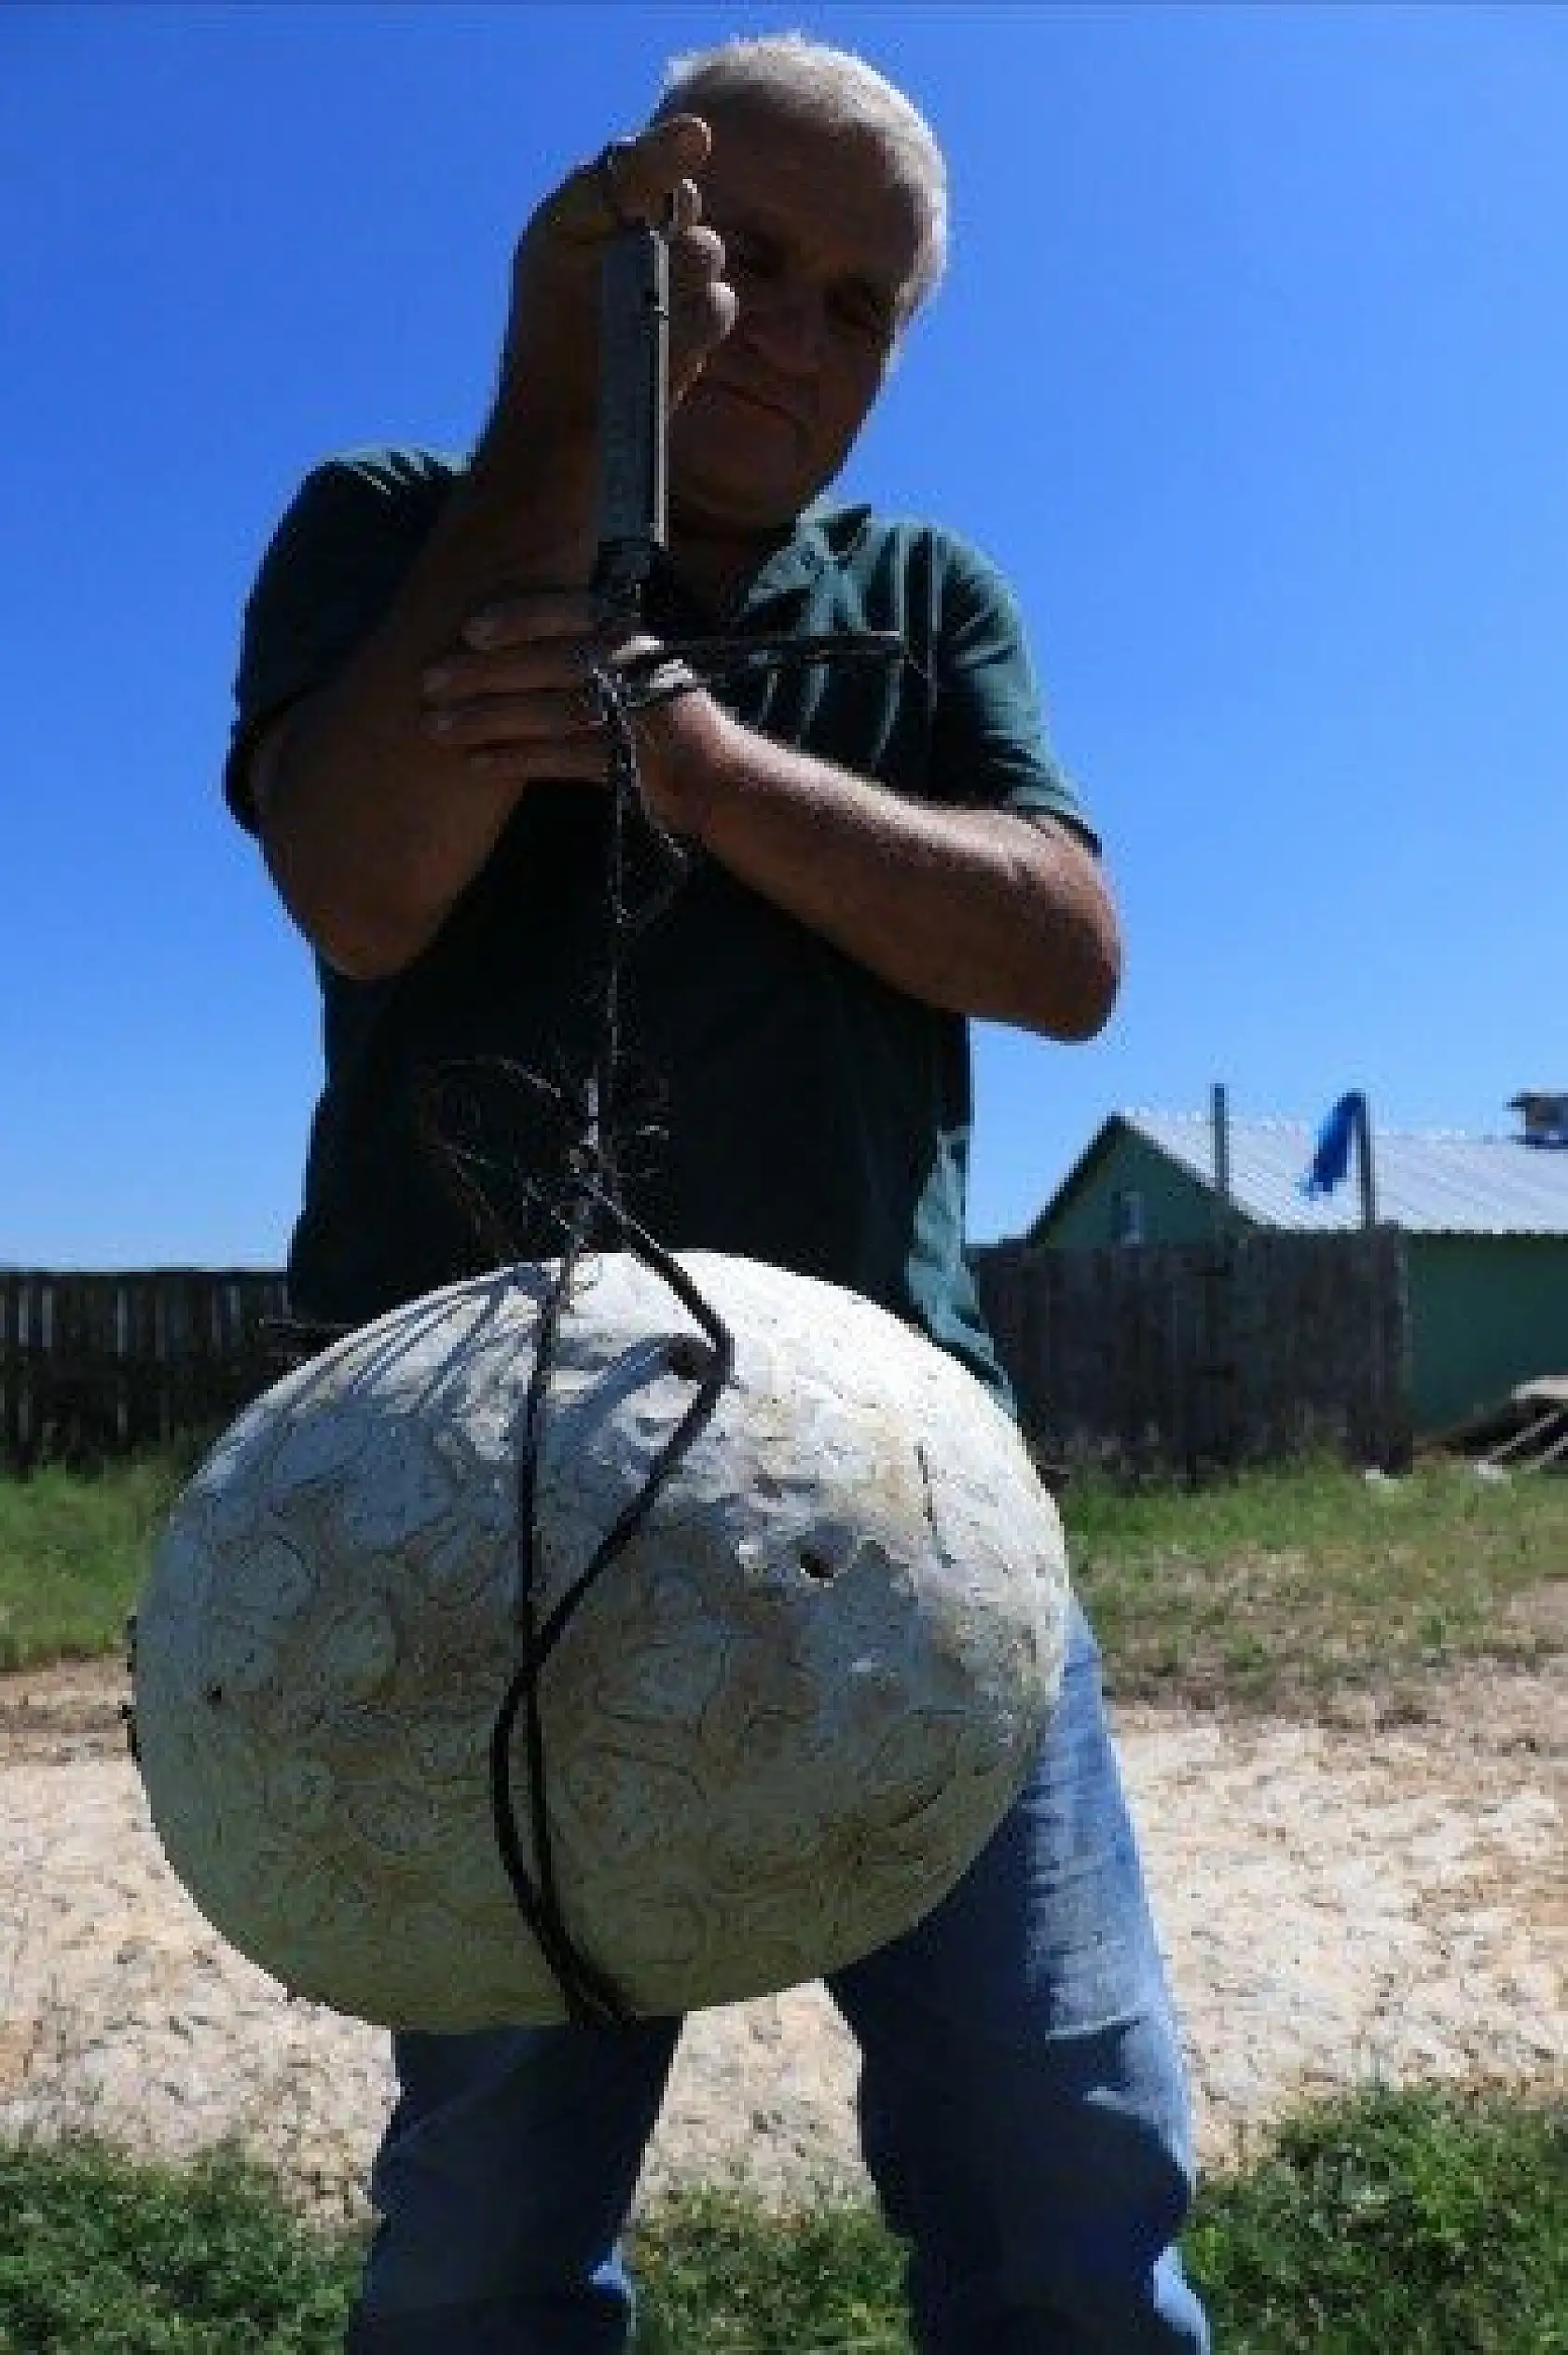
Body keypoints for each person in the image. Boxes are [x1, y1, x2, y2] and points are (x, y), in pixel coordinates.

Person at [223, 33, 1210, 2354]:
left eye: (859, 299)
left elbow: (1062, 955)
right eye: (737, 256)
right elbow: (362, 888)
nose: (793, 328)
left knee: (1065, 2159)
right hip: (486, 1520)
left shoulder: (920, 601)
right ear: (620, 255)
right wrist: (554, 421)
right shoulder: (396, 517)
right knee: (489, 2229)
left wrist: (695, 752)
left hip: (907, 1508)